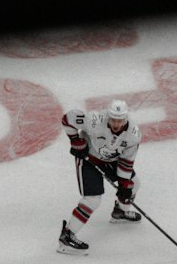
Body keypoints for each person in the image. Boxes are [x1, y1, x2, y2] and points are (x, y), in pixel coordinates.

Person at [57, 99, 141, 255]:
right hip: (89, 158)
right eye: (114, 120)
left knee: (133, 184)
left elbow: (126, 161)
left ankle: (120, 213)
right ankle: (67, 237)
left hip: (112, 160)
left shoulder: (133, 135)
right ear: (108, 116)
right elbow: (68, 119)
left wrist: (124, 185)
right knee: (93, 199)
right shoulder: (95, 120)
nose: (116, 124)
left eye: (120, 120)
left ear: (126, 118)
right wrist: (76, 141)